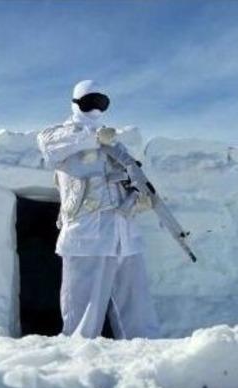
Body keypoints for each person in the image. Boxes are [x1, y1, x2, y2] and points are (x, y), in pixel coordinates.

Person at [36, 80, 160, 339]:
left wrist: (137, 200)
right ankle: (78, 356)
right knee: (84, 310)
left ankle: (147, 352)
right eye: (89, 102)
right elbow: (50, 147)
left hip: (124, 233)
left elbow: (126, 179)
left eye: (101, 102)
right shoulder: (60, 135)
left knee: (137, 306)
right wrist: (92, 137)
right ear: (76, 103)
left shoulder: (115, 144)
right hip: (87, 236)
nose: (95, 108)